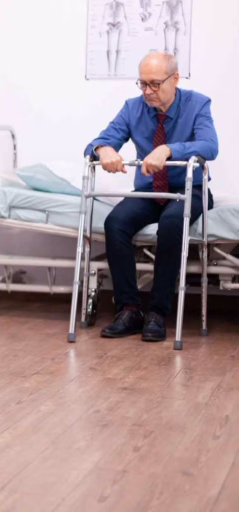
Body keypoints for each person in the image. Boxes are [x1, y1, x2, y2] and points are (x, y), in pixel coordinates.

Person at [85, 52, 218, 342]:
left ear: (175, 79)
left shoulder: (197, 104)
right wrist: (102, 150)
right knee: (115, 223)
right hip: (150, 190)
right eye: (143, 84)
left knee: (172, 223)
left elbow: (210, 146)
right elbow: (101, 140)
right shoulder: (133, 108)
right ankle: (129, 310)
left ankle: (158, 312)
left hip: (189, 189)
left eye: (155, 84)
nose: (147, 91)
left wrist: (170, 150)